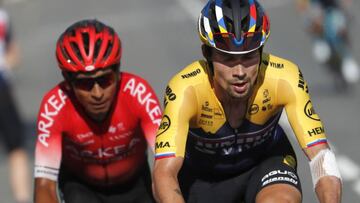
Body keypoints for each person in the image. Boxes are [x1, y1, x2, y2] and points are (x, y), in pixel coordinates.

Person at [153, 0, 342, 202]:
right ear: (207, 54)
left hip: (264, 165)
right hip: (201, 180)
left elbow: (321, 157)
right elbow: (164, 172)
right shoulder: (186, 89)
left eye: (249, 56)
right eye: (228, 58)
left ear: (261, 52)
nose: (240, 72)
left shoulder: (285, 78)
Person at [34, 19, 162, 203]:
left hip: (135, 184)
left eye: (105, 80)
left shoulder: (138, 93)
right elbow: (44, 185)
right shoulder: (54, 106)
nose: (97, 93)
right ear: (68, 82)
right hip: (81, 187)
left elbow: (167, 165)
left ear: (118, 73)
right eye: (84, 83)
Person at [0, 5, 31, 203]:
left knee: (16, 147)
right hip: (2, 86)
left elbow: (14, 55)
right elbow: (14, 56)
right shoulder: (3, 16)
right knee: (16, 148)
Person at [296, 0, 360, 86]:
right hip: (316, 15)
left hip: (335, 11)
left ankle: (346, 57)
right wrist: (312, 17)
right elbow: (303, 8)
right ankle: (334, 66)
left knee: (341, 29)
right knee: (321, 53)